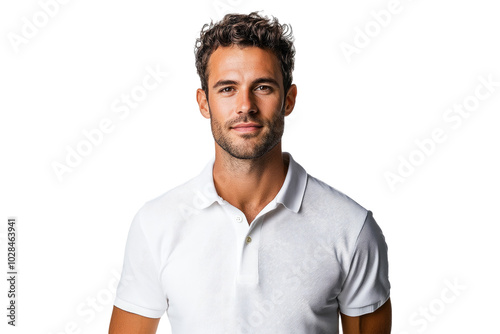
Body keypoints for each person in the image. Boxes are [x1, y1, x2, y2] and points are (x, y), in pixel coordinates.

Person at [109, 11, 391, 334]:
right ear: (204, 103)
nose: (245, 105)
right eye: (227, 89)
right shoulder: (156, 224)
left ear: (289, 99)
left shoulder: (352, 228)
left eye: (263, 87)